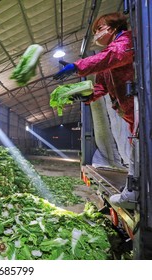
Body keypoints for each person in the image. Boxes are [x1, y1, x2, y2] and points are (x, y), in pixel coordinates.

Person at [53, 12, 137, 209]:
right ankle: (134, 192)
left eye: (99, 28)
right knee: (138, 147)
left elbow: (111, 57)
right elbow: (101, 86)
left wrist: (77, 66)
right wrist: (86, 96)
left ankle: (134, 193)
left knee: (142, 147)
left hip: (140, 103)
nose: (97, 33)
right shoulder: (109, 55)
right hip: (129, 111)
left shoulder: (125, 42)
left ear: (114, 28)